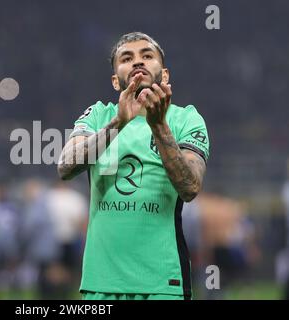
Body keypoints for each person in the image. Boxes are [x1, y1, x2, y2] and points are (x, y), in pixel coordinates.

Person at [58, 32, 210, 300]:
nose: (138, 62)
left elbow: (190, 187)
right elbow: (65, 167)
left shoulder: (186, 119)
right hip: (101, 283)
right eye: (127, 58)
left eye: (147, 56)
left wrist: (159, 125)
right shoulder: (97, 115)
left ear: (164, 75)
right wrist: (118, 123)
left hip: (163, 282)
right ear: (116, 81)